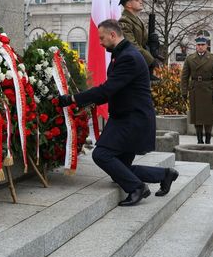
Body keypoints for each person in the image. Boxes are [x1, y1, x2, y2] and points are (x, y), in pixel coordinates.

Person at [58, 19, 178, 206]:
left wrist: (73, 99)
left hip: (131, 119)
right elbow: (112, 91)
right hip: (127, 117)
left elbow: (107, 89)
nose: (99, 42)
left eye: (102, 37)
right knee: (121, 169)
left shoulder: (128, 57)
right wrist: (85, 103)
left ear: (113, 35)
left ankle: (138, 188)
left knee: (101, 155)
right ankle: (164, 175)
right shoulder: (122, 54)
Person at [181, 36, 213, 144]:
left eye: (202, 45)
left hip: (209, 89)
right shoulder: (190, 58)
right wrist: (184, 92)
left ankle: (208, 139)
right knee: (197, 117)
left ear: (206, 45)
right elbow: (184, 77)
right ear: (196, 46)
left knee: (209, 117)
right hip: (195, 89)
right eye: (198, 45)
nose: (200, 47)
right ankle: (199, 140)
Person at [118, 0, 161, 78]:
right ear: (128, 4)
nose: (141, 2)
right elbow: (131, 45)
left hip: (139, 64)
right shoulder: (124, 21)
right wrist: (150, 60)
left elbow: (142, 43)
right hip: (131, 66)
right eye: (137, 0)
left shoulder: (136, 19)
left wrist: (152, 43)